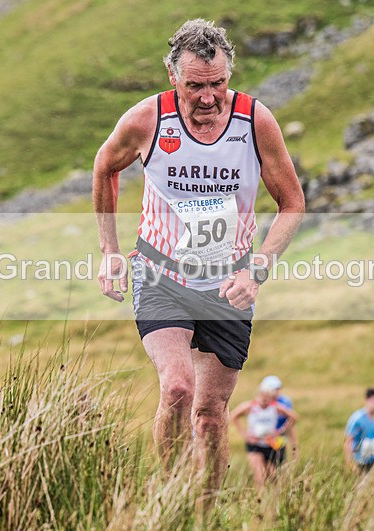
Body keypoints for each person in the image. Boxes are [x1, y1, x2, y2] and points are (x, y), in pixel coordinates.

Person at [93, 19, 305, 493]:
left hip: (229, 285)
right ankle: (169, 501)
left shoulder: (255, 121)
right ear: (173, 78)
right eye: (195, 86)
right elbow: (105, 165)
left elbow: (292, 204)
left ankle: (203, 513)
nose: (208, 97)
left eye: (218, 84)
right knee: (178, 388)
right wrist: (109, 250)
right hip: (161, 274)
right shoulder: (148, 120)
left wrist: (258, 270)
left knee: (209, 416)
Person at [230, 381, 297, 487]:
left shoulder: (275, 407)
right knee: (260, 476)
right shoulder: (249, 406)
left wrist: (280, 431)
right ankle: (259, 500)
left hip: (271, 444)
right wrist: (245, 434)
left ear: (271, 398)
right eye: (262, 397)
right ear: (257, 396)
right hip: (255, 444)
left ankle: (272, 500)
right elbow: (233, 416)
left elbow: (293, 417)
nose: (264, 400)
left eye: (267, 398)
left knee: (273, 475)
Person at [344, 388, 374, 473]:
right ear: (366, 400)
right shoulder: (357, 418)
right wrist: (349, 462)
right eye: (373, 401)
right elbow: (348, 440)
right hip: (360, 458)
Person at [260, 374, 299, 461]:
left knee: (279, 459)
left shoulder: (284, 402)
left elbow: (291, 421)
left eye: (278, 389)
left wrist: (294, 445)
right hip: (264, 436)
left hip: (279, 436)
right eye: (274, 389)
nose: (277, 392)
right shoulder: (262, 403)